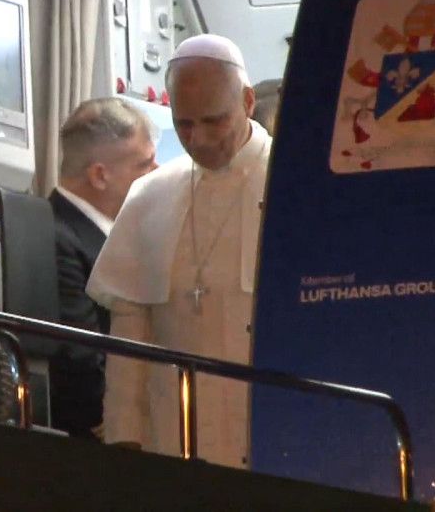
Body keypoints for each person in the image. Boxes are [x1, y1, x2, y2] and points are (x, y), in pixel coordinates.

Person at [86, 33, 272, 467]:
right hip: (173, 439)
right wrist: (123, 438)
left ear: (247, 102)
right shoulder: (150, 195)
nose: (199, 139)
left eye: (214, 121)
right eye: (184, 124)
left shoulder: (293, 186)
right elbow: (130, 330)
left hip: (270, 436)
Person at [49, 97, 157, 439]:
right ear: (99, 175)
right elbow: (80, 359)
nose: (157, 173)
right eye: (144, 164)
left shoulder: (109, 236)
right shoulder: (56, 237)